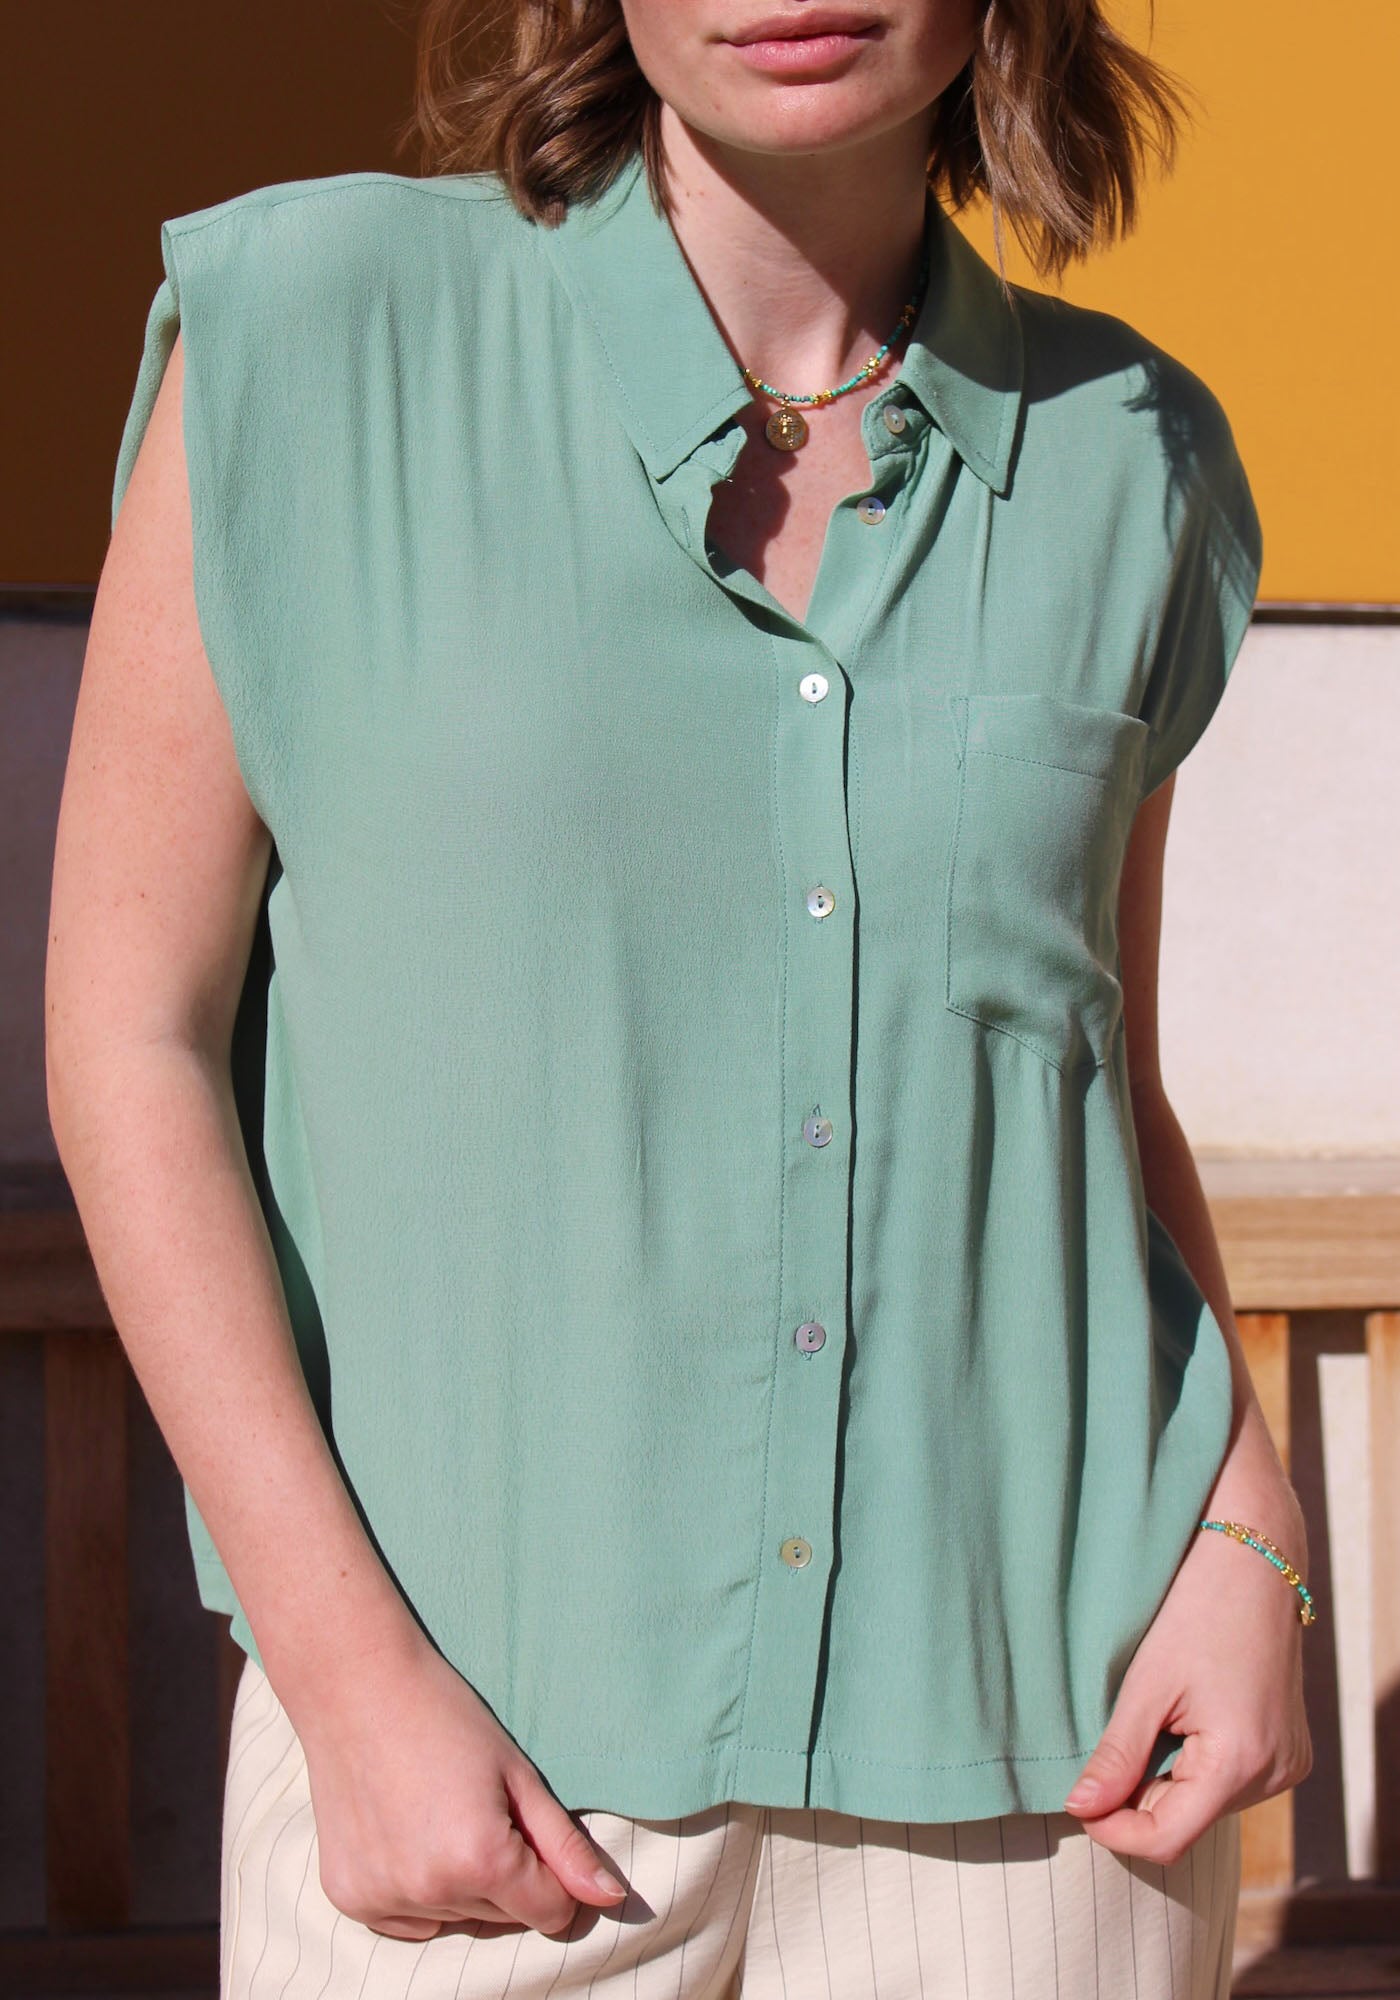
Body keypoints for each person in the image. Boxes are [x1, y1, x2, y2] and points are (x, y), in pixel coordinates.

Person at [46, 0, 1313, 1993]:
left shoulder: (1128, 455)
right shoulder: (310, 335)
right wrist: (343, 1674)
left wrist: (1246, 1536)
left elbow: (1088, 1083)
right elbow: (133, 1038)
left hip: (1037, 1784)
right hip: (469, 1780)